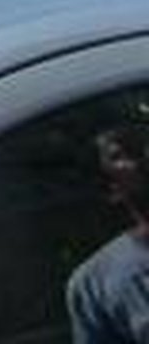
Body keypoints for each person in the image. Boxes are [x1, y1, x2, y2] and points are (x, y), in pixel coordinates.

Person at [69, 123, 149, 344]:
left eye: (144, 143)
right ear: (109, 188)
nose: (146, 154)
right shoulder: (95, 284)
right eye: (122, 154)